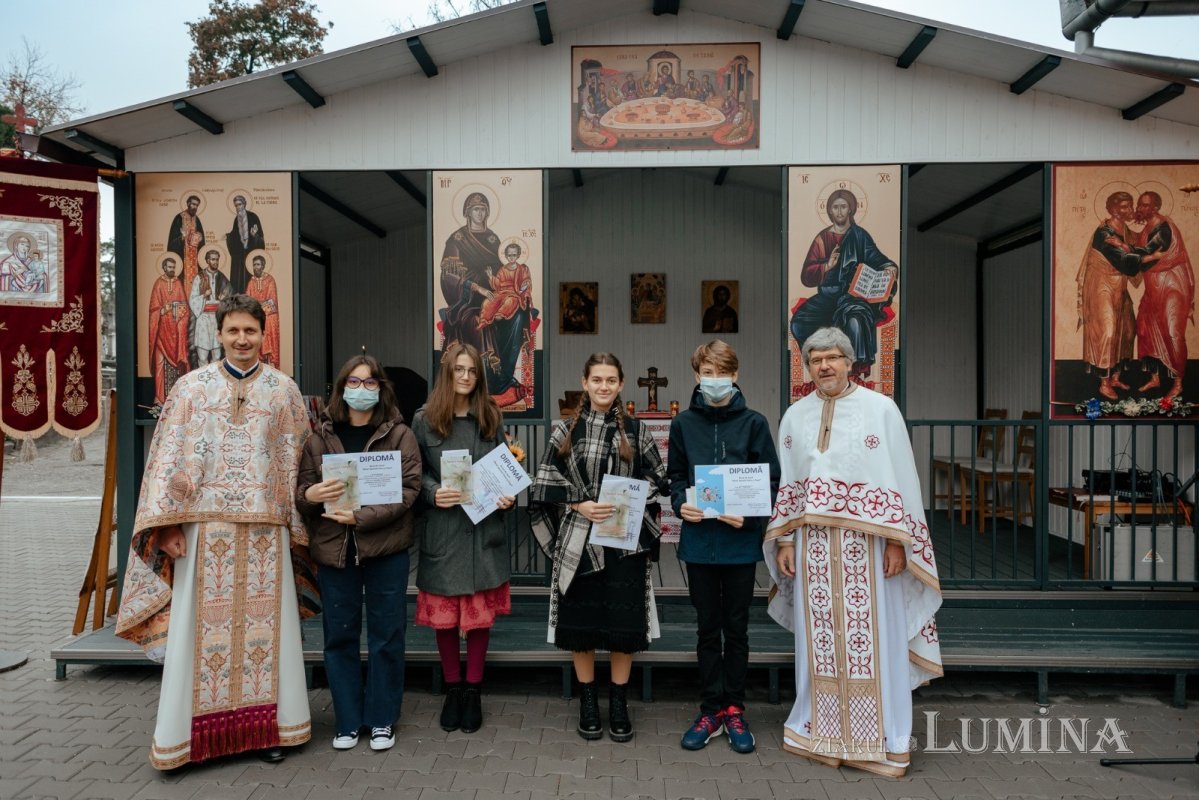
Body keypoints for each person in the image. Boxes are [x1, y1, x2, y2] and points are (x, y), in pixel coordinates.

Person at [115, 294, 313, 769]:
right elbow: (164, 461)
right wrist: (165, 529)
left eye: (250, 331)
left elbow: (298, 459)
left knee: (269, 637)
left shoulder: (284, 391)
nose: (242, 339)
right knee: (197, 638)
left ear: (263, 334)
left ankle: (269, 730)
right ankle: (188, 738)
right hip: (203, 532)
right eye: (233, 331)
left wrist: (297, 526)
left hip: (267, 532)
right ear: (219, 333)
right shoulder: (190, 389)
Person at [765, 327, 942, 777]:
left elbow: (902, 478)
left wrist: (902, 544)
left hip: (871, 549)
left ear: (850, 361)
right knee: (817, 639)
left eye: (832, 358)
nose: (824, 366)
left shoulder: (881, 410)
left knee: (875, 639)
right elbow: (790, 481)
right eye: (816, 360)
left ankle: (883, 741)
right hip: (814, 548)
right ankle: (818, 733)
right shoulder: (794, 416)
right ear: (807, 367)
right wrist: (784, 540)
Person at [530, 353, 667, 743]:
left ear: (621, 384)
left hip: (624, 543)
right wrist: (578, 502)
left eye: (611, 380)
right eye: (597, 379)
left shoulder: (636, 432)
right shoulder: (563, 432)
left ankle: (619, 703)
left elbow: (658, 477)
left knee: (623, 627)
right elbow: (542, 482)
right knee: (582, 627)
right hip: (578, 539)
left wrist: (631, 496)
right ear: (585, 383)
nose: (604, 386)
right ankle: (588, 701)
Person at [296, 354, 422, 752]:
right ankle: (348, 721)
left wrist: (363, 517)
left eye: (371, 383)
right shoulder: (318, 439)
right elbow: (301, 494)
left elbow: (409, 491)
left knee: (387, 635)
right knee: (340, 637)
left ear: (381, 390)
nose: (362, 390)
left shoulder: (400, 435)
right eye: (354, 382)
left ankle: (382, 718)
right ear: (341, 388)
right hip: (336, 553)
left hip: (385, 549)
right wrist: (311, 496)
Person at [669, 340, 779, 754]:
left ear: (736, 375)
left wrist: (749, 516)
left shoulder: (754, 423)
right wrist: (682, 504)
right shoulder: (683, 425)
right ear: (697, 376)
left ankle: (734, 708)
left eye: (723, 372)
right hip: (699, 543)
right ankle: (709, 709)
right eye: (707, 372)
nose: (715, 380)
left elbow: (770, 480)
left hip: (738, 543)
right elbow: (676, 476)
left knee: (736, 629)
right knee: (705, 628)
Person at [411, 343, 515, 734]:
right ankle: (452, 689)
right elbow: (414, 472)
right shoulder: (424, 419)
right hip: (445, 529)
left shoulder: (491, 416)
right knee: (444, 620)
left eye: (472, 371)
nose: (466, 377)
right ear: (447, 373)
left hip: (483, 529)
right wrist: (432, 491)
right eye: (459, 370)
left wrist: (507, 497)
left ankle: (473, 692)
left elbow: (504, 465)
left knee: (479, 618)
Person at [789, 189, 898, 380]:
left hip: (852, 296)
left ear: (851, 210)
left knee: (854, 321)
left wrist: (890, 268)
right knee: (799, 321)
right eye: (835, 207)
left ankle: (851, 373)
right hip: (827, 296)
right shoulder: (822, 238)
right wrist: (827, 266)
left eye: (843, 207)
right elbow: (807, 275)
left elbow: (877, 258)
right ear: (829, 211)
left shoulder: (859, 235)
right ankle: (820, 364)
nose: (839, 212)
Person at [1076, 191, 1142, 400]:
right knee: (1109, 331)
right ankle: (1104, 383)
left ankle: (1115, 376)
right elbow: (1128, 264)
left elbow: (1134, 253)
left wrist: (1126, 246)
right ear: (1113, 209)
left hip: (1119, 287)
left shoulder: (1128, 233)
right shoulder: (1103, 233)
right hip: (1101, 286)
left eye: (1130, 206)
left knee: (1128, 331)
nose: (1130, 211)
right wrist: (1132, 251)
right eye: (1124, 207)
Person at [1128, 191, 1194, 399]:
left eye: (1144, 205)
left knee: (1173, 332)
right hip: (1154, 288)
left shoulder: (1163, 227)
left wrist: (1118, 247)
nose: (1139, 208)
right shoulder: (1148, 227)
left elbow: (1145, 251)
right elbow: (1140, 249)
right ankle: (1155, 378)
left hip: (1171, 287)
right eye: (1139, 205)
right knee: (1146, 328)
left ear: (1155, 208)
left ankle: (1178, 382)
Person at [439, 192, 504, 388]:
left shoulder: (493, 239)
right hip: (465, 300)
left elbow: (502, 271)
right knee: (477, 321)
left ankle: (496, 379)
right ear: (467, 212)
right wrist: (476, 288)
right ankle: (481, 378)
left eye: (483, 209)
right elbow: (449, 276)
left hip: (493, 294)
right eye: (476, 209)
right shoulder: (457, 239)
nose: (480, 213)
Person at [477, 242, 535, 406]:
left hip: (515, 296)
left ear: (518, 255)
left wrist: (524, 288)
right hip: (502, 294)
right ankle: (486, 319)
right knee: (488, 303)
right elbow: (498, 285)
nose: (511, 258)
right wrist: (490, 277)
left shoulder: (522, 269)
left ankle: (502, 314)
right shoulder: (503, 270)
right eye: (508, 255)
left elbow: (526, 285)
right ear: (506, 256)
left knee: (510, 301)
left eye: (513, 255)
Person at [147, 255, 190, 405]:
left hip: (176, 334)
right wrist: (162, 310)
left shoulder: (178, 283)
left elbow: (185, 305)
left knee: (177, 367)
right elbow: (153, 310)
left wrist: (180, 312)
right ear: (164, 268)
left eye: (174, 267)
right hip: (161, 333)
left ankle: (176, 398)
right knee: (160, 365)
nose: (172, 270)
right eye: (169, 267)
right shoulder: (158, 284)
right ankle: (160, 398)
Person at [189, 249, 232, 367]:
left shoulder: (223, 278)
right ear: (207, 261)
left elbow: (230, 296)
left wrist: (224, 298)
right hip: (203, 318)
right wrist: (204, 295)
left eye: (217, 259)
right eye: (213, 259)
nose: (215, 262)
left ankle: (215, 383)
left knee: (217, 355)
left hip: (217, 319)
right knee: (202, 355)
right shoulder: (199, 277)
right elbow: (192, 299)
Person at [245, 254, 281, 367]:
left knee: (268, 338)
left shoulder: (270, 280)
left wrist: (256, 305)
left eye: (258, 264)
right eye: (254, 265)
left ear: (263, 265)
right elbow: (247, 301)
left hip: (269, 317)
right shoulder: (251, 282)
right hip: (256, 317)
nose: (256, 267)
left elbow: (272, 302)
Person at [226, 194, 265, 293]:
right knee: (238, 278)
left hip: (250, 252)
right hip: (239, 255)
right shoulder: (236, 219)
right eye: (236, 205)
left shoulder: (253, 217)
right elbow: (234, 235)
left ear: (244, 204)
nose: (238, 207)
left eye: (239, 204)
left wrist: (254, 236)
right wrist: (228, 236)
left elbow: (260, 238)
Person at [167, 194, 206, 290]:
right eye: (193, 204)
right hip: (183, 257)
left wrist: (199, 238)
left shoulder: (197, 220)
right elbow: (172, 241)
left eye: (197, 205)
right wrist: (182, 237)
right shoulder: (179, 218)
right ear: (188, 204)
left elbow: (202, 240)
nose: (195, 207)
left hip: (195, 259)